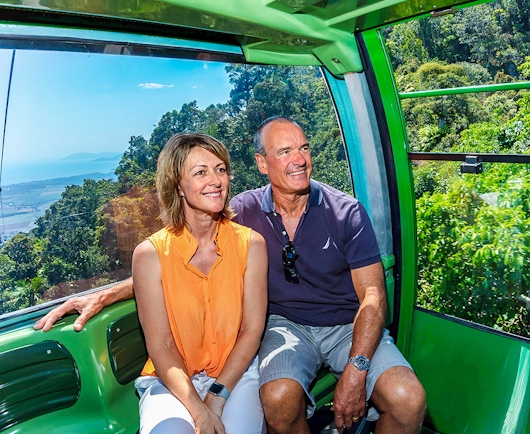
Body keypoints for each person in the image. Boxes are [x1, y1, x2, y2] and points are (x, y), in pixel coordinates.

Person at [35, 117, 426, 434]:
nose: (299, 160)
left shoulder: (346, 212)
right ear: (262, 163)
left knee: (408, 400)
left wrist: (357, 370)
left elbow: (373, 297)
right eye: (285, 151)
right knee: (278, 399)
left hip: (346, 325)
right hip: (286, 325)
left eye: (304, 148)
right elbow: (178, 254)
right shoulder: (241, 209)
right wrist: (106, 295)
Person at [131, 133, 267, 434]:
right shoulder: (150, 255)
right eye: (200, 172)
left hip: (235, 375)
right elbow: (162, 345)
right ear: (177, 187)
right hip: (171, 380)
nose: (215, 180)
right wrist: (199, 412)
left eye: (220, 169)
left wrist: (217, 399)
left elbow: (251, 330)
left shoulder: (251, 245)